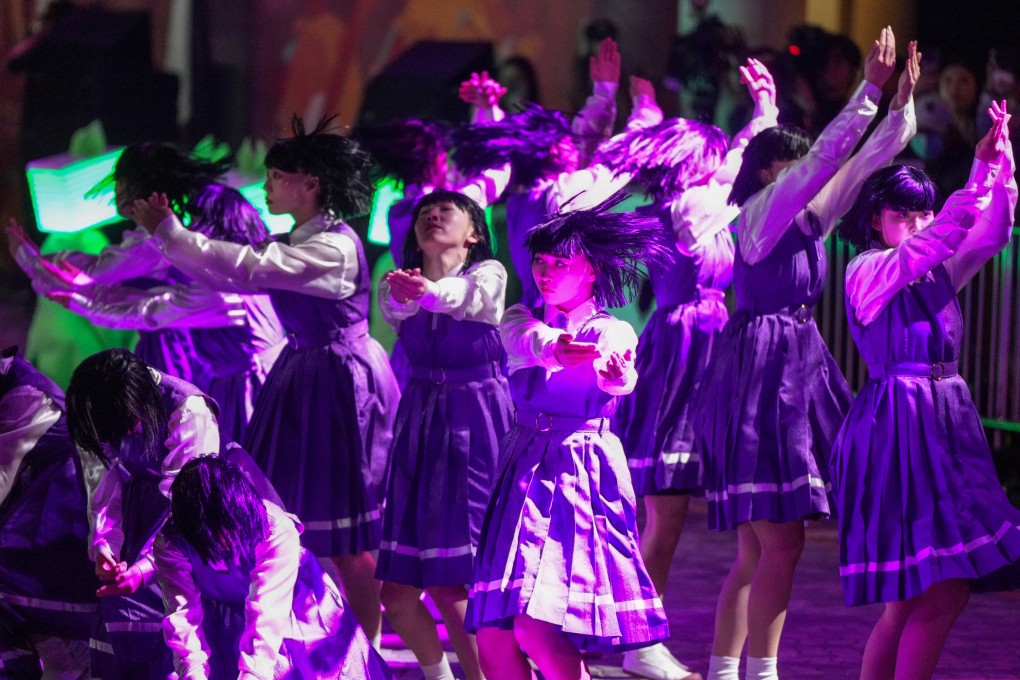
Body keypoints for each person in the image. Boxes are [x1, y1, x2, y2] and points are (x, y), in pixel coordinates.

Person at [693, 29, 916, 680]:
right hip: (762, 372)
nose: (804, 171)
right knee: (779, 540)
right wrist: (868, 90)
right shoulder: (761, 213)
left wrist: (899, 108)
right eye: (790, 163)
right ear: (765, 173)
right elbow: (827, 160)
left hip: (793, 361)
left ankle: (725, 669)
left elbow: (858, 165)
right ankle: (758, 672)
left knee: (757, 549)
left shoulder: (804, 218)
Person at [133, 116, 399, 646]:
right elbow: (234, 270)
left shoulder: (333, 247)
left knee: (345, 534)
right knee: (293, 517)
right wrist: (167, 239)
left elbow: (252, 267)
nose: (266, 185)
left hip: (340, 382)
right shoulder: (302, 237)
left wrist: (171, 233)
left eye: (277, 176)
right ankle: (314, 636)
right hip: (303, 374)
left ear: (310, 185)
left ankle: (366, 645)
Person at [600, 58, 779, 680]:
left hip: (708, 341)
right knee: (667, 510)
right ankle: (637, 641)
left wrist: (758, 114)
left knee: (694, 512)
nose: (720, 162)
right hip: (686, 348)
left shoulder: (688, 204)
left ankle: (714, 650)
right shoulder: (691, 207)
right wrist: (761, 115)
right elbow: (737, 170)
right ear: (692, 163)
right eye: (710, 155)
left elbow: (737, 166)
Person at [832, 101, 1020, 680]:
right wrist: (973, 180)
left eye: (923, 214)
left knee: (919, 597)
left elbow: (992, 230)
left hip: (946, 423)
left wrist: (996, 166)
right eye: (902, 215)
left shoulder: (937, 265)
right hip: (896, 429)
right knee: (935, 593)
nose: (915, 225)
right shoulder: (868, 269)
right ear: (877, 219)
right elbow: (923, 248)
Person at [467, 193, 674, 680]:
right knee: (494, 639)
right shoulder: (522, 318)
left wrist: (614, 374)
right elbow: (527, 342)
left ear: (592, 271)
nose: (545, 272)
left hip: (577, 471)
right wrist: (558, 346)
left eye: (561, 263)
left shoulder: (613, 331)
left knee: (536, 626)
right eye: (540, 261)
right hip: (522, 465)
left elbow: (619, 376)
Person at [14, 184, 285, 447]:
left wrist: (76, 296)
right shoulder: (235, 274)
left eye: (196, 224)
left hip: (250, 390)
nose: (189, 231)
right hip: (238, 380)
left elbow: (149, 309)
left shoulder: (226, 293)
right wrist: (80, 294)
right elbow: (145, 301)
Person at [376, 190, 514, 680]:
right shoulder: (397, 286)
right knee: (396, 591)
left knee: (453, 579)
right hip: (420, 420)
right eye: (423, 215)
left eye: (446, 212)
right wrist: (411, 291)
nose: (432, 216)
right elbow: (398, 309)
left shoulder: (488, 275)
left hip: (473, 418)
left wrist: (425, 292)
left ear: (473, 233)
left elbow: (462, 299)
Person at [155, 455, 391, 680]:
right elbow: (182, 616)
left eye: (229, 531)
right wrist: (193, 673)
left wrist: (253, 674)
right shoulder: (173, 542)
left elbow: (267, 615)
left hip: (294, 606)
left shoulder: (274, 527)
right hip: (222, 615)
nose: (225, 543)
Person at [65, 348, 220, 679]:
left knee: (176, 623)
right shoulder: (98, 406)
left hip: (195, 521)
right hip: (138, 514)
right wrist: (105, 546)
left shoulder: (188, 411)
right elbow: (101, 483)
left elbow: (187, 506)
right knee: (119, 621)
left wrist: (146, 567)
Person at [0, 347, 96, 679]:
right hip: (31, 516)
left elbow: (0, 481)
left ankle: (61, 654)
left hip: (62, 524)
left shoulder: (25, 395)